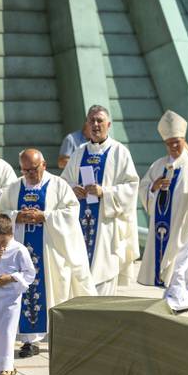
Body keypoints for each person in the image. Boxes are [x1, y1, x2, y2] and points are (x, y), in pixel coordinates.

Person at [0, 149, 95, 358]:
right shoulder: (14, 187)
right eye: (25, 170)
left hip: (50, 252)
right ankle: (29, 341)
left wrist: (45, 216)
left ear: (43, 164)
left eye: (33, 169)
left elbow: (71, 212)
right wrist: (16, 216)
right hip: (22, 251)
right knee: (24, 291)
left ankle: (54, 335)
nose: (30, 174)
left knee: (53, 290)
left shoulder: (59, 185)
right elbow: (1, 213)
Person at [137, 111, 188, 312]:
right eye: (170, 143)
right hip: (165, 227)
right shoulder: (159, 165)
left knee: (182, 261)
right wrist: (154, 187)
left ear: (184, 140)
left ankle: (179, 295)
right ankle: (180, 293)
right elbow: (144, 187)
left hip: (187, 223)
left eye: (177, 142)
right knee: (171, 261)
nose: (174, 146)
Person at [61, 105, 139, 296]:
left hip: (105, 226)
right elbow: (63, 183)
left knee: (103, 273)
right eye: (92, 121)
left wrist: (104, 192)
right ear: (86, 124)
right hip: (80, 224)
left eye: (99, 121)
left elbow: (132, 185)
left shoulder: (119, 152)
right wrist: (72, 190)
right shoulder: (79, 152)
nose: (95, 125)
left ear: (108, 124)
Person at [0, 214, 35, 375]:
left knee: (7, 332)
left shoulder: (19, 249)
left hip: (10, 299)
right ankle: (8, 366)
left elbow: (29, 273)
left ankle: (4, 371)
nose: (0, 245)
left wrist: (11, 278)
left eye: (2, 241)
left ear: (9, 235)